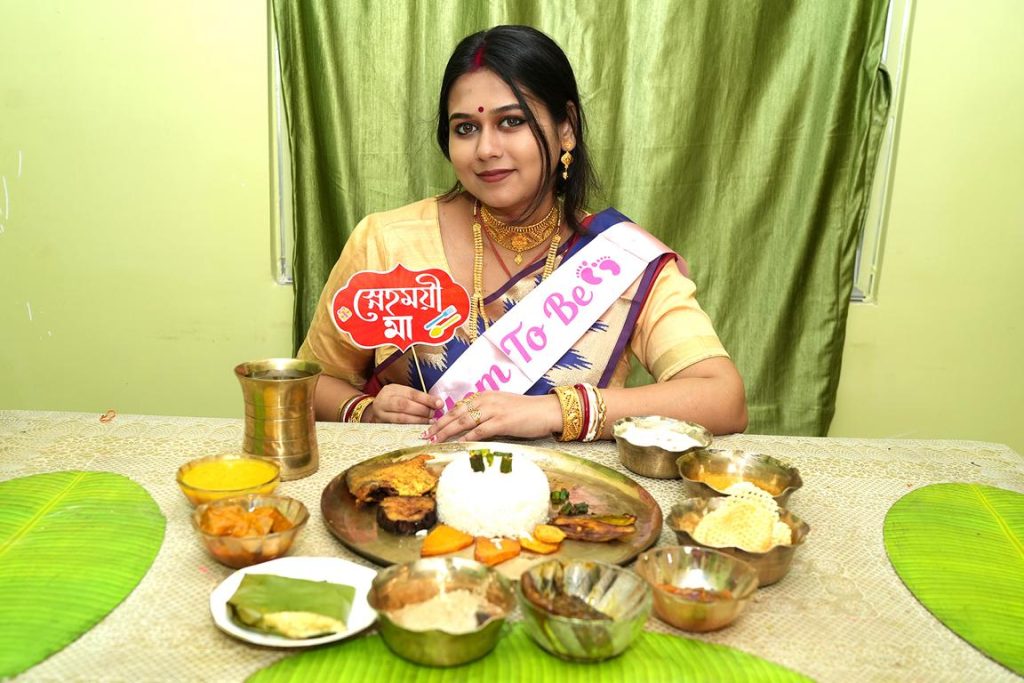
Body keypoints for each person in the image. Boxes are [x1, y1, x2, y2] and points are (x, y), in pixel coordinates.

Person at [298, 25, 747, 442]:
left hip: (567, 510)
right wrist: (364, 410)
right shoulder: (387, 240)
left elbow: (722, 399)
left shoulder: (620, 258)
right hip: (409, 500)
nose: (486, 149)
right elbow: (307, 382)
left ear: (566, 127)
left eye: (511, 121)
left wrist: (553, 411)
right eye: (466, 128)